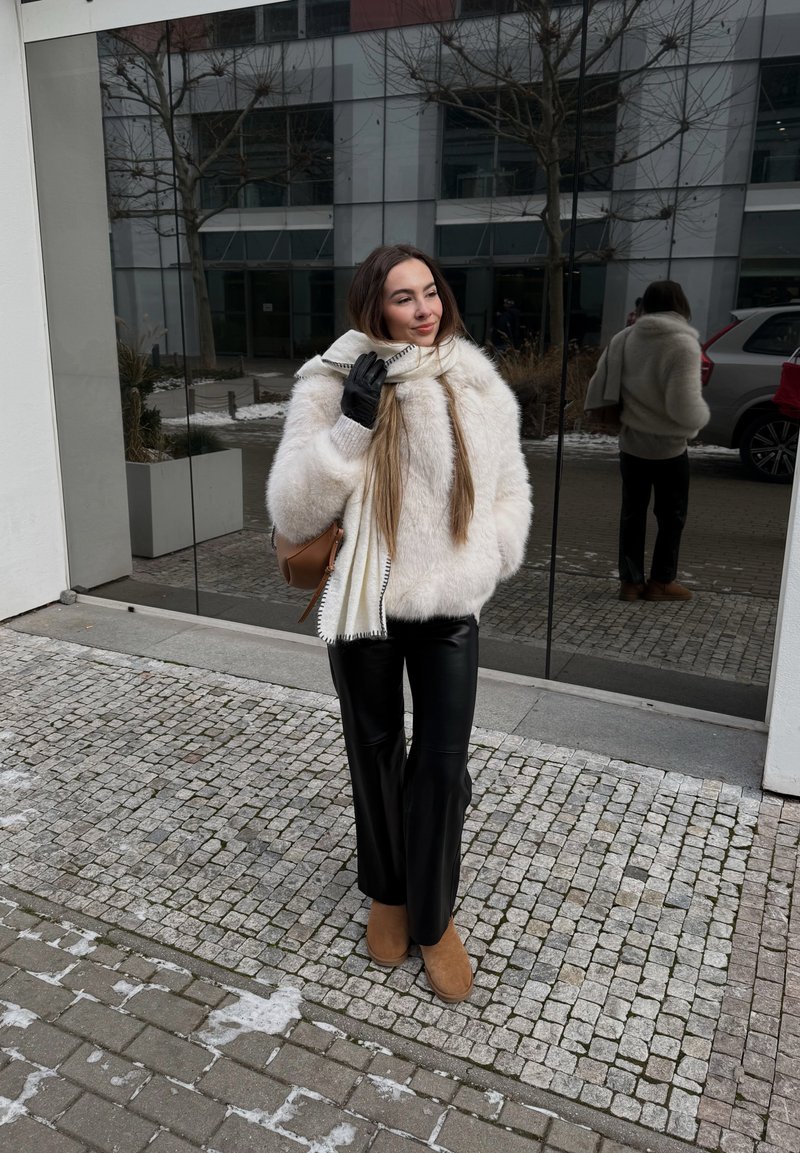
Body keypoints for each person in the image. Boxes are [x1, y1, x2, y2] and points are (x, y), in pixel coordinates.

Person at [267, 244, 531, 1003]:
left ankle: (434, 917)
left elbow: (509, 483)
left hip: (447, 605)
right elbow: (292, 510)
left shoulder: (472, 378)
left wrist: (493, 551)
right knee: (375, 751)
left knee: (442, 764)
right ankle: (387, 891)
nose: (424, 310)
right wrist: (351, 428)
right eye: (403, 297)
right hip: (366, 602)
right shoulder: (331, 380)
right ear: (373, 307)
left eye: (431, 293)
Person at [584, 279, 710, 602]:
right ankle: (661, 582)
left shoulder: (624, 338)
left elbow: (598, 384)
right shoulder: (683, 343)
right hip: (670, 449)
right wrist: (695, 425)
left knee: (632, 514)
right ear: (681, 305)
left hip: (632, 445)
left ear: (646, 305)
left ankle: (630, 583)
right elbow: (684, 404)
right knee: (671, 517)